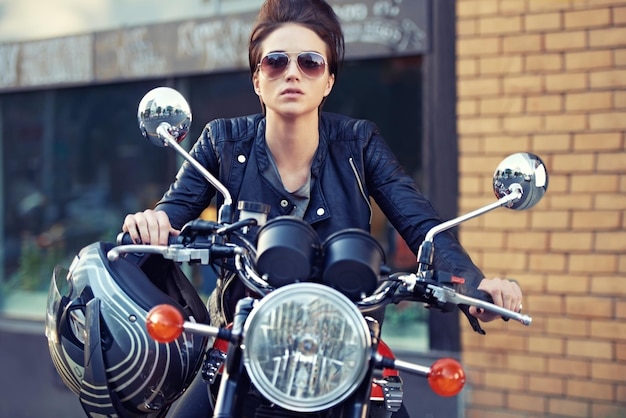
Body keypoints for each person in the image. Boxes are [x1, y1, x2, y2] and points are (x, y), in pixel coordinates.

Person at [122, 0, 523, 415]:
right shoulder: (222, 142)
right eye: (275, 62)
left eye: (310, 62)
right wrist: (152, 222)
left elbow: (422, 225)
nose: (292, 72)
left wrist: (475, 288)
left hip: (342, 351)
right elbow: (173, 212)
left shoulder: (359, 143)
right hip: (245, 348)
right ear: (257, 79)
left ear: (328, 80)